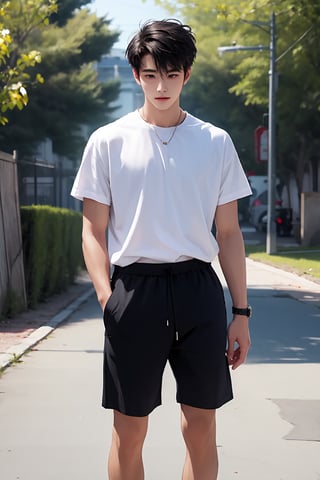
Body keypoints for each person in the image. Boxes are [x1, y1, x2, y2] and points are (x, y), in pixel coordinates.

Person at [71, 18, 252, 480]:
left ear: (186, 74)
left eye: (171, 74)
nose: (161, 85)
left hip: (198, 290)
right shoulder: (108, 141)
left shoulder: (215, 142)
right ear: (137, 75)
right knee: (129, 429)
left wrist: (241, 313)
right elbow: (93, 232)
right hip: (134, 292)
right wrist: (107, 299)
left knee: (201, 425)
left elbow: (228, 234)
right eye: (151, 74)